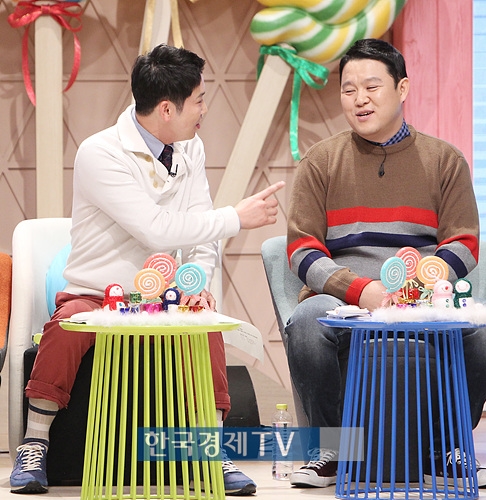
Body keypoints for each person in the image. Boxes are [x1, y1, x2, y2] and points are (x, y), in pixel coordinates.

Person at [10, 43, 285, 496]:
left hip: (163, 299)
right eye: (198, 100)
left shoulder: (190, 147)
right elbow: (156, 229)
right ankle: (35, 444)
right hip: (97, 295)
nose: (204, 110)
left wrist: (197, 280)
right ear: (166, 109)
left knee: (206, 326)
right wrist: (237, 217)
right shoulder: (100, 153)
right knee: (66, 326)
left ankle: (211, 451)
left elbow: (199, 230)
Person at [285, 38, 486, 489]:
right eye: (348, 89)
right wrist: (361, 290)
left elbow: (464, 243)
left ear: (402, 89)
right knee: (305, 322)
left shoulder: (444, 160)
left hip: (423, 296)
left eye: (371, 87)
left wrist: (417, 286)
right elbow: (302, 250)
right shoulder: (321, 161)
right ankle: (334, 449)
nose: (359, 99)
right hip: (345, 299)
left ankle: (444, 448)